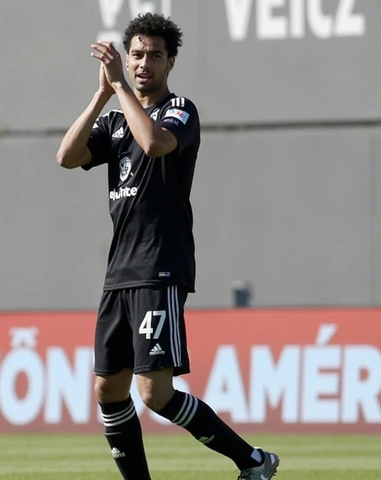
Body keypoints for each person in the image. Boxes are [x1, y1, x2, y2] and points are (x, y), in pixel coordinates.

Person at [56, 13, 279, 480]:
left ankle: (254, 462)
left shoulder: (180, 110)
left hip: (158, 265)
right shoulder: (115, 118)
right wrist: (101, 94)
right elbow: (67, 157)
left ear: (170, 62)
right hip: (118, 272)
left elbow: (156, 144)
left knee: (155, 394)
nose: (143, 64)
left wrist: (118, 87)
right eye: (136, 55)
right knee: (107, 390)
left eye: (154, 56)